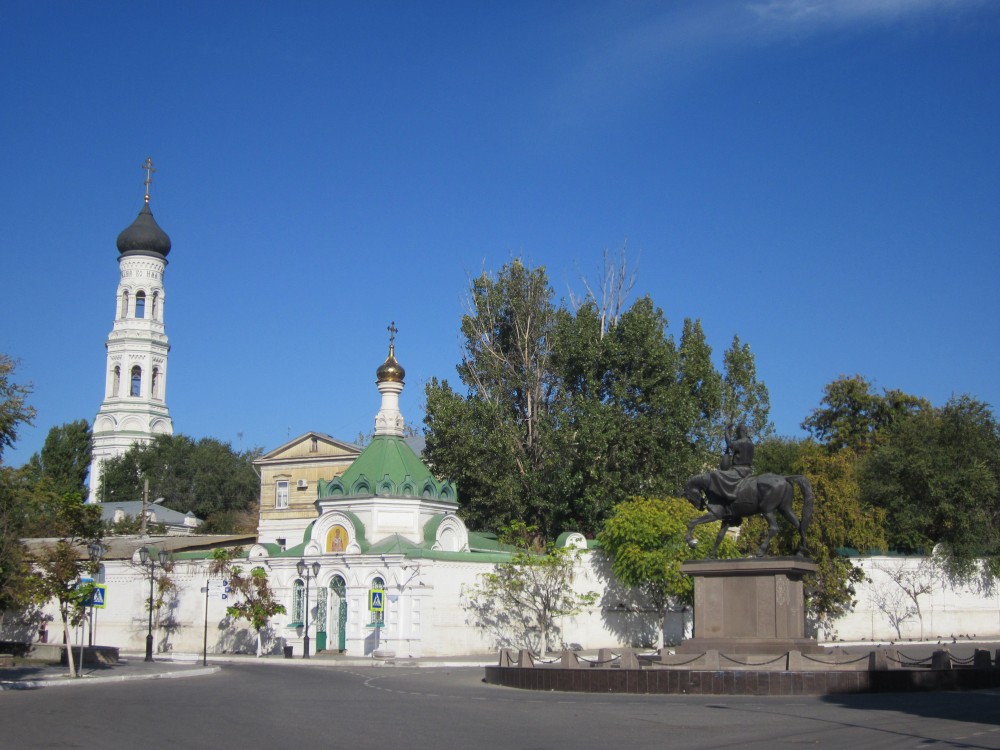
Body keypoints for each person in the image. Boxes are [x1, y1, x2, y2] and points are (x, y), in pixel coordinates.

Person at [705, 424, 754, 504]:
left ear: (740, 432)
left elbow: (730, 444)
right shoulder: (751, 443)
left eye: (737, 433)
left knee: (716, 474)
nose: (737, 435)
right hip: (748, 471)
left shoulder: (742, 442)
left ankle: (722, 498)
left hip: (738, 471)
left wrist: (726, 432)